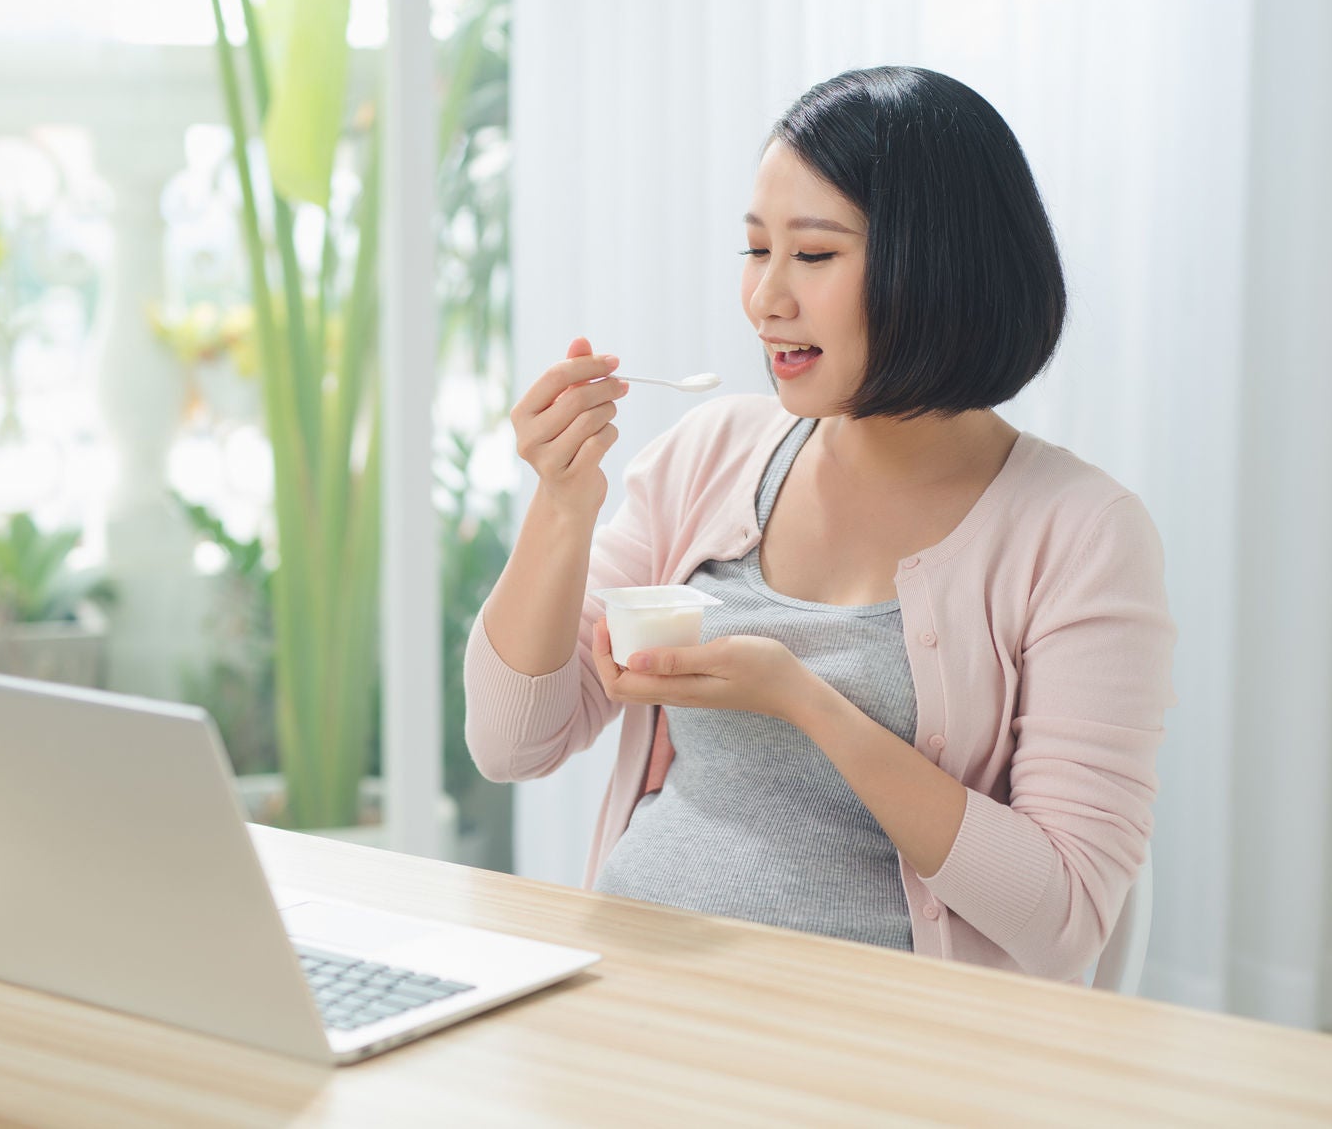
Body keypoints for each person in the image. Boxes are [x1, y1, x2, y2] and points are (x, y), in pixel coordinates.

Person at [465, 66, 1177, 982]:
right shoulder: (711, 453)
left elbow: (1067, 915)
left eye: (813, 254)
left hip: (866, 1050)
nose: (767, 297)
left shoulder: (1082, 534)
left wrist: (805, 702)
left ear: (938, 266)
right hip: (624, 996)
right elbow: (513, 741)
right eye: (755, 251)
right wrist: (561, 508)